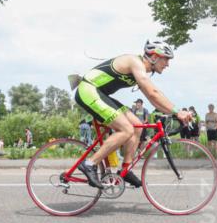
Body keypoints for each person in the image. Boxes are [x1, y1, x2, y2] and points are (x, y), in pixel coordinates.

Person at [72, 40, 189, 189]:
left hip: (100, 94)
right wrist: (177, 111)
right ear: (154, 57)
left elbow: (154, 100)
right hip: (88, 90)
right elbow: (153, 94)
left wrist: (174, 112)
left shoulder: (141, 70)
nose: (167, 64)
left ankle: (125, 170)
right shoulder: (135, 62)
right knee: (126, 129)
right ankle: (89, 164)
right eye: (166, 59)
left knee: (137, 126)